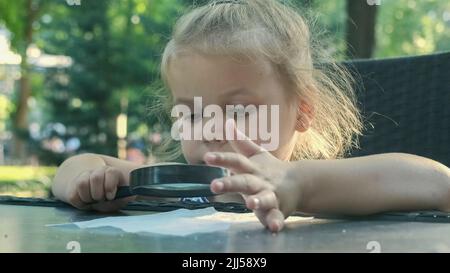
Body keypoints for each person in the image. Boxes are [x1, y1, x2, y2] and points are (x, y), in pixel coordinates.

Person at [52, 0, 450, 232]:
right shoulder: (172, 191)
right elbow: (75, 166)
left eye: (239, 111)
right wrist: (89, 180)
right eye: (191, 114)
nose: (209, 131)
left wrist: (299, 185)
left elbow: (438, 183)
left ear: (302, 112)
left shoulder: (331, 193)